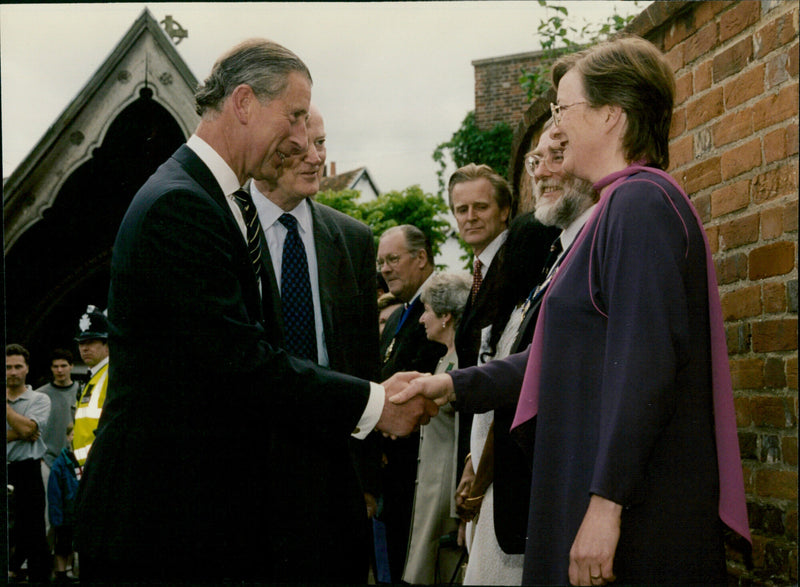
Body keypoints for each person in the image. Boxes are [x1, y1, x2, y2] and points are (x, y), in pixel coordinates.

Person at [74, 38, 434, 583]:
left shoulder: (218, 199)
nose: (299, 138)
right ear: (244, 103)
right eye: (292, 116)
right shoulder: (181, 206)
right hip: (163, 526)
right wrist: (376, 405)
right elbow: (243, 364)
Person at [394, 35, 750, 585]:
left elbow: (645, 366)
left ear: (610, 115)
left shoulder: (638, 204)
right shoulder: (621, 206)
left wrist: (606, 507)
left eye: (564, 108)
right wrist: (451, 387)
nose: (555, 126)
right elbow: (562, 355)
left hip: (627, 514)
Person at [248, 104, 382, 580]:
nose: (313, 158)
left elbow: (366, 364)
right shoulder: (224, 230)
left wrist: (366, 481)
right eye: (298, 146)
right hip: (251, 478)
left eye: (320, 144)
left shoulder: (353, 239)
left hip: (336, 474)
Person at [376, 224, 447, 580]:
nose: (385, 269)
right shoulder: (396, 317)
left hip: (425, 469)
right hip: (394, 472)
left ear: (421, 258)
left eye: (393, 259)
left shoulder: (442, 302)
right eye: (381, 262)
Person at [403, 272, 471, 585]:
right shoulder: (446, 360)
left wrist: (461, 513)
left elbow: (465, 435)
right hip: (431, 489)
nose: (421, 320)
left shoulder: (462, 365)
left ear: (445, 317)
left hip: (447, 496)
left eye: (427, 310)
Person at [6, 344, 52, 583]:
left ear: (27, 369)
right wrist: (22, 430)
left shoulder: (40, 399)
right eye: (7, 367)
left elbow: (30, 429)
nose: (12, 372)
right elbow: (24, 430)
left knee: (34, 532)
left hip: (28, 470)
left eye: (17, 367)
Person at [36, 348, 79, 533]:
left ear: (71, 366)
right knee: (48, 510)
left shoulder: (83, 391)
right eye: (55, 366)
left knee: (73, 508)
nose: (60, 370)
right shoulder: (40, 395)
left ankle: (71, 559)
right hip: (47, 458)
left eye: (63, 366)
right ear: (51, 369)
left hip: (74, 459)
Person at [72, 305, 109, 466]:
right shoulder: (94, 377)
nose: (85, 348)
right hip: (89, 467)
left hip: (101, 465)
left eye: (91, 342)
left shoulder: (111, 375)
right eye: (81, 343)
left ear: (106, 344)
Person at [47, 424, 80, 583]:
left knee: (72, 543)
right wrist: (57, 516)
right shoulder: (61, 463)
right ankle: (60, 572)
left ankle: (67, 571)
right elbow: (55, 492)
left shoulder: (81, 460)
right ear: (67, 437)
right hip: (66, 511)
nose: (74, 437)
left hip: (77, 511)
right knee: (63, 544)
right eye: (72, 434)